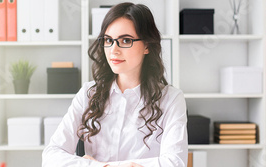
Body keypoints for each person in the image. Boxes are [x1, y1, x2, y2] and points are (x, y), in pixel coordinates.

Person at [42, 2, 187, 167]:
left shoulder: (171, 99)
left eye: (125, 40)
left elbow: (175, 162)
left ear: (147, 45)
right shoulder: (88, 94)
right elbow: (51, 156)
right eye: (108, 40)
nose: (113, 50)